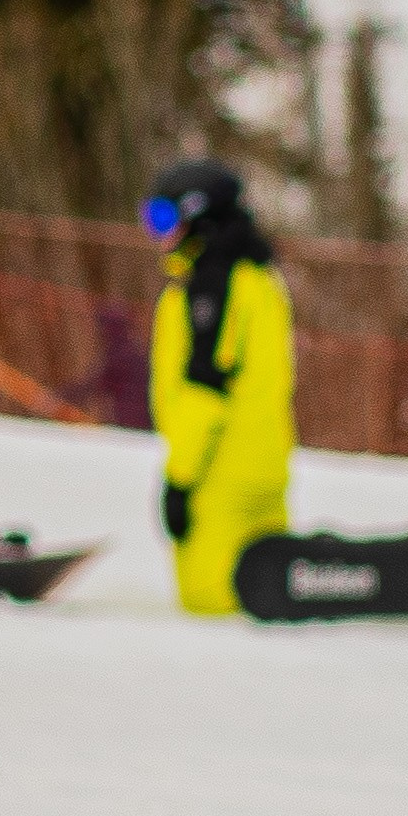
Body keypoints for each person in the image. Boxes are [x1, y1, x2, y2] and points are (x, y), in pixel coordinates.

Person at [144, 161, 295, 614]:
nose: (156, 234)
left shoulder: (212, 286)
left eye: (163, 218)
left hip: (219, 480)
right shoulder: (259, 280)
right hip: (264, 470)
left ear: (198, 215)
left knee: (212, 610)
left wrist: (179, 480)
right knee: (266, 607)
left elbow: (206, 388)